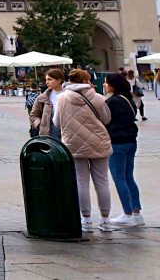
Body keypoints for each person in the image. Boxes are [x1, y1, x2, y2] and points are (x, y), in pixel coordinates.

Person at [55, 69, 117, 232]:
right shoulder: (97, 97)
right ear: (85, 82)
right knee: (102, 181)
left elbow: (56, 123)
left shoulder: (61, 98)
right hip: (98, 142)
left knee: (81, 181)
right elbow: (106, 119)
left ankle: (86, 220)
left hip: (74, 144)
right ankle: (105, 220)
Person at [103, 73, 143, 227]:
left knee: (119, 177)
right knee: (128, 177)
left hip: (117, 142)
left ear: (114, 84)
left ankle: (127, 214)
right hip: (131, 140)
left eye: (107, 83)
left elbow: (105, 120)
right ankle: (136, 212)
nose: (105, 85)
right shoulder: (129, 100)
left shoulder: (113, 101)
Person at [30, 69, 66, 140]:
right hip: (49, 133)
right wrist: (40, 125)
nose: (47, 82)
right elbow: (33, 115)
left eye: (50, 79)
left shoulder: (70, 95)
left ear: (59, 80)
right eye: (46, 80)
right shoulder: (42, 98)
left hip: (67, 132)